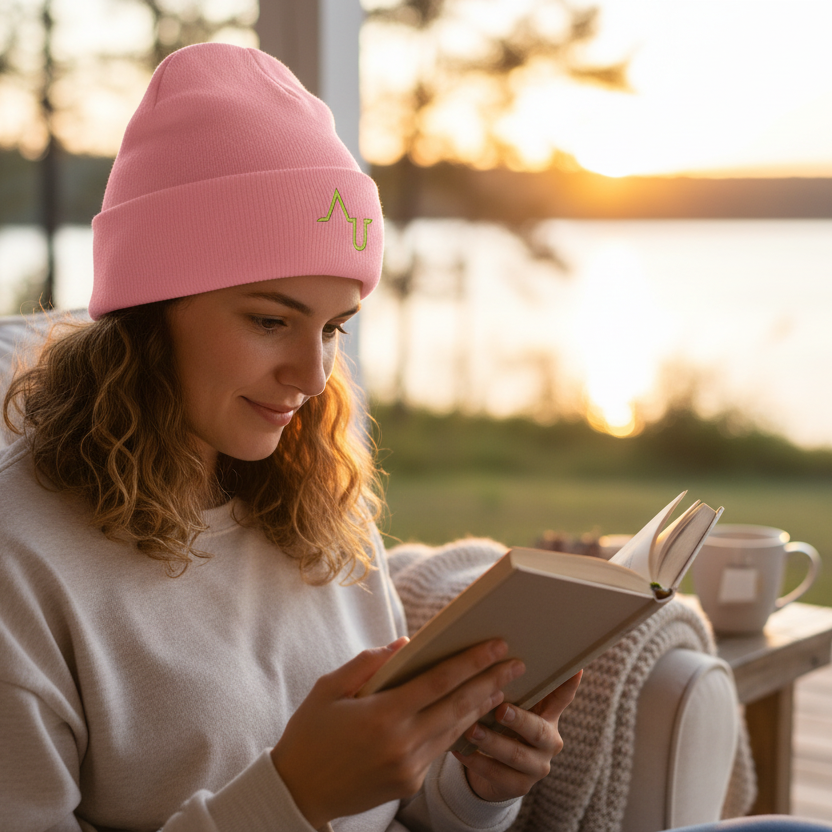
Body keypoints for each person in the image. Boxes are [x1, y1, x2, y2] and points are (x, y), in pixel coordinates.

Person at [0, 42, 581, 831]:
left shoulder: (313, 503)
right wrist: (292, 797)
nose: (311, 379)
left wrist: (478, 786)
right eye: (271, 320)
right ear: (147, 314)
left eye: (333, 328)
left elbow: (399, 805)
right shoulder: (23, 561)